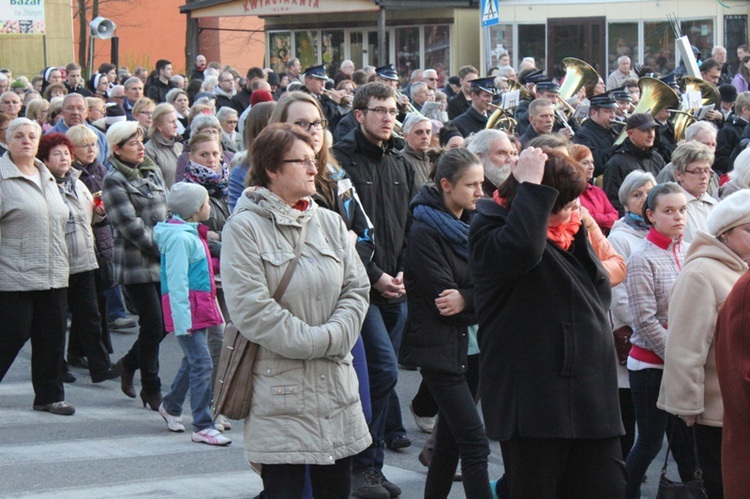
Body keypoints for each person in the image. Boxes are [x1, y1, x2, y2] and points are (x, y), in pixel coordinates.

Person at [221, 123, 371, 498]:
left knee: (335, 489)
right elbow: (250, 308)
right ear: (272, 169)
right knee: (284, 491)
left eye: (314, 160)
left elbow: (357, 288)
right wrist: (316, 341)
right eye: (302, 161)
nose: (314, 169)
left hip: (336, 384)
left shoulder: (331, 222)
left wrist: (337, 335)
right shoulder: (244, 227)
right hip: (281, 387)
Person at [469, 147, 625, 497]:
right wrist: (530, 186)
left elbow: (599, 286)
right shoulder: (490, 227)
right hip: (537, 405)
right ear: (534, 199)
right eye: (566, 204)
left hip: (590, 399)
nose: (576, 211)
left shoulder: (569, 228)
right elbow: (522, 250)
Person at [333, 82, 417, 499]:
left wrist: (401, 273)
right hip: (358, 289)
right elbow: (343, 232)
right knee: (381, 370)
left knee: (382, 380)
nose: (387, 117)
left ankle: (371, 466)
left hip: (395, 286)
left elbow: (410, 223)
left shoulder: (401, 161)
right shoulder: (339, 162)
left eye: (392, 110)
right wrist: (377, 274)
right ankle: (356, 464)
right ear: (359, 114)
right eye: (379, 110)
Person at [400, 148, 492, 499]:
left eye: (481, 183)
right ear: (446, 186)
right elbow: (443, 301)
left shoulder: (475, 222)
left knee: (451, 443)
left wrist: (467, 298)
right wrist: (475, 298)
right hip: (440, 350)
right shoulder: (425, 231)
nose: (480, 192)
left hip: (474, 348)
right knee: (474, 442)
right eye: (472, 185)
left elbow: (495, 284)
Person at [657, 190, 750, 498]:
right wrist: (688, 406)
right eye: (749, 230)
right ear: (724, 234)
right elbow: (685, 345)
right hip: (713, 411)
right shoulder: (700, 272)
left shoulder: (741, 269)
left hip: (738, 406)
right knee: (719, 486)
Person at [624, 182, 694, 498]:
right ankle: (624, 493)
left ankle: (697, 491)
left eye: (682, 210)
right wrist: (679, 357)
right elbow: (645, 320)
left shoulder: (689, 249)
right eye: (669, 211)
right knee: (650, 442)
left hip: (682, 364)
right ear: (651, 215)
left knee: (685, 443)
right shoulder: (642, 257)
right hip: (652, 368)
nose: (678, 216)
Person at [0, 118, 74, 415]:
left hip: (54, 271)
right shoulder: (3, 179)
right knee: (11, 335)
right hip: (13, 273)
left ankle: (49, 395)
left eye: (32, 135)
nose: (26, 141)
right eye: (19, 136)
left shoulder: (49, 177)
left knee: (52, 336)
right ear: (7, 141)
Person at [37, 132, 119, 383]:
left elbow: (90, 218)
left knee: (90, 315)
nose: (63, 158)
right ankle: (57, 367)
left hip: (84, 258)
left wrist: (100, 214)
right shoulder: (43, 185)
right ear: (45, 158)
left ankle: (100, 366)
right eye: (57, 154)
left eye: (66, 153)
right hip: (58, 262)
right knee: (56, 321)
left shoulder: (78, 181)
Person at [153, 182, 229, 446]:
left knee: (193, 360)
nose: (210, 206)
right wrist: (182, 321)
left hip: (199, 306)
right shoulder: (179, 238)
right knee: (202, 363)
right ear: (196, 209)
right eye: (207, 202)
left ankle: (172, 405)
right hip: (188, 310)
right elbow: (176, 282)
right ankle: (202, 424)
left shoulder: (190, 233)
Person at [102, 121, 168, 411]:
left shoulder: (151, 170)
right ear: (117, 149)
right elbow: (129, 225)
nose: (141, 147)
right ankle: (151, 387)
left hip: (163, 257)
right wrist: (162, 246)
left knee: (164, 323)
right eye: (133, 143)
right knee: (153, 322)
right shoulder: (113, 180)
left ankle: (128, 364)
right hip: (135, 262)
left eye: (142, 141)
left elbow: (166, 210)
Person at [607, 170, 657, 460]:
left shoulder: (659, 232)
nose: (642, 200)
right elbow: (619, 296)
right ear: (625, 203)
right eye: (636, 195)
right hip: (632, 335)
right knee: (628, 417)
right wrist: (648, 323)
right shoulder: (620, 238)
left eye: (647, 193)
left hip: (658, 334)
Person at [604, 113, 666, 214]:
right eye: (645, 130)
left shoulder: (656, 157)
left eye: (653, 129)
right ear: (630, 134)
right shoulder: (617, 163)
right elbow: (613, 202)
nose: (651, 135)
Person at [571, 143, 619, 232]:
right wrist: (603, 218)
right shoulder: (570, 193)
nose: (591, 167)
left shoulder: (597, 191)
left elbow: (615, 218)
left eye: (592, 162)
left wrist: (591, 216)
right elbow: (578, 218)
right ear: (572, 165)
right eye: (585, 163)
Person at [144, 103, 183, 188]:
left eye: (176, 121)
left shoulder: (180, 146)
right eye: (172, 122)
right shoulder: (149, 151)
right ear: (159, 126)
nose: (176, 126)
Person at [400, 114, 433, 188]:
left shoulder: (434, 160)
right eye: (419, 132)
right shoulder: (400, 161)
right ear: (406, 136)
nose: (425, 137)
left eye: (428, 132)